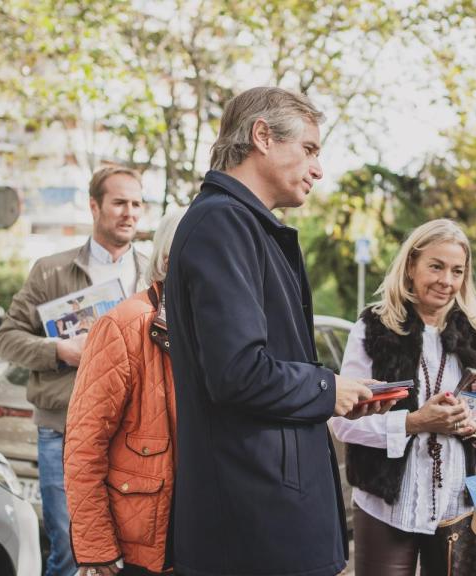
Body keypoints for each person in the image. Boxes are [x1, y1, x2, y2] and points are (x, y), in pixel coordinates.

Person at [164, 87, 383, 576]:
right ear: (262, 136)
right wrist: (329, 388)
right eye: (309, 149)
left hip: (263, 520)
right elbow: (239, 373)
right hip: (254, 529)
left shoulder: (243, 225)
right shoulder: (224, 223)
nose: (318, 168)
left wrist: (337, 391)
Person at [329, 219, 476, 576]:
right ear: (411, 266)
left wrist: (474, 426)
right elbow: (343, 420)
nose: (446, 281)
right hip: (385, 503)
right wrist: (414, 422)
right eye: (436, 266)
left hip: (460, 504)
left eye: (457, 271)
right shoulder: (374, 328)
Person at [0, 165, 148, 576]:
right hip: (63, 430)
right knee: (70, 550)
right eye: (119, 202)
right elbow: (6, 338)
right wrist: (61, 349)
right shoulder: (51, 270)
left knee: (132, 553)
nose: (129, 212)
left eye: (136, 203)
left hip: (136, 433)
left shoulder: (153, 273)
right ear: (95, 206)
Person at [63, 208, 185, 576]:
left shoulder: (222, 329)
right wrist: (97, 549)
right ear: (168, 258)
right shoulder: (124, 325)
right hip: (144, 546)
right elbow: (84, 446)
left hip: (206, 537)